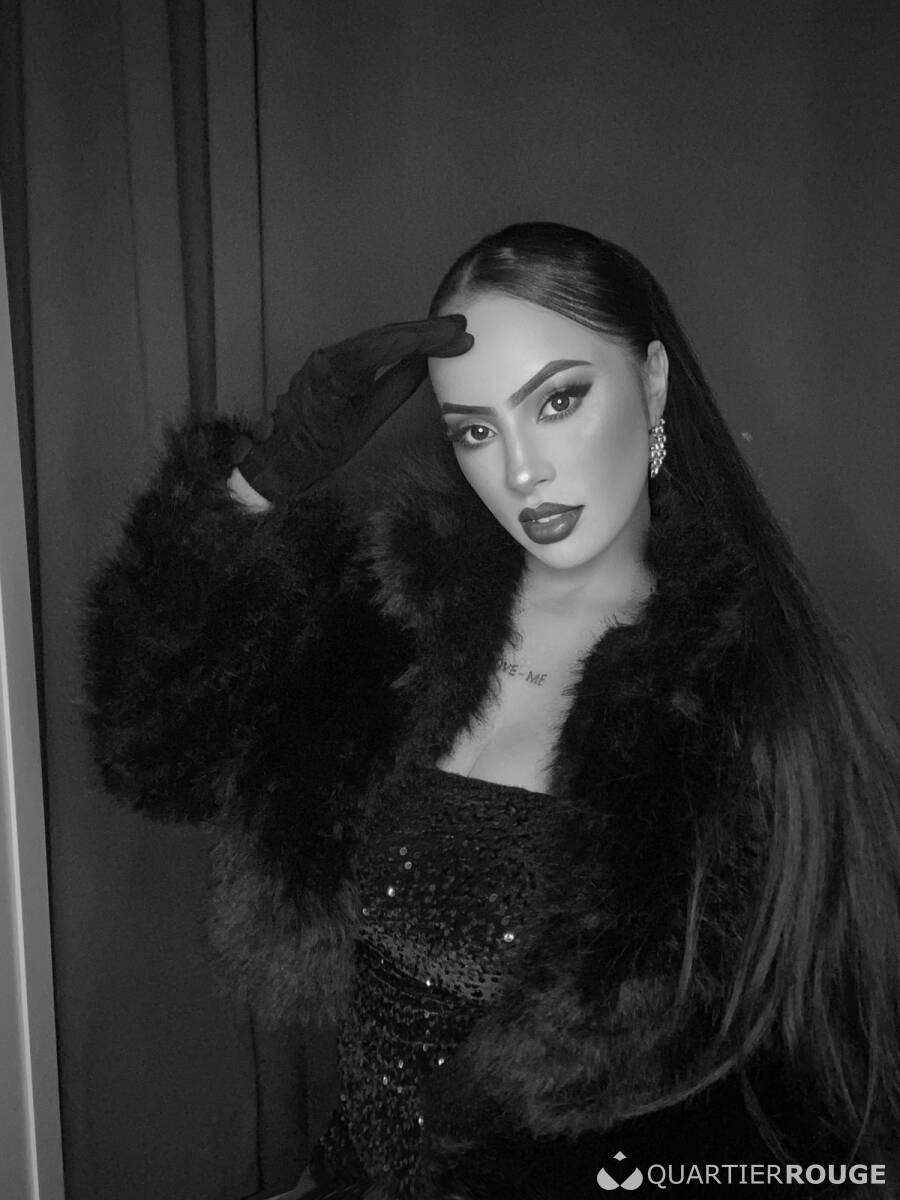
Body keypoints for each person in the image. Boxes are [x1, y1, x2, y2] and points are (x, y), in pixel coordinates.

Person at [81, 223, 900, 1199]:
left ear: (652, 384)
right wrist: (256, 490)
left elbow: (814, 1118)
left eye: (558, 400)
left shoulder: (747, 710)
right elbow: (154, 756)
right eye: (476, 429)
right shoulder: (389, 620)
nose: (521, 471)